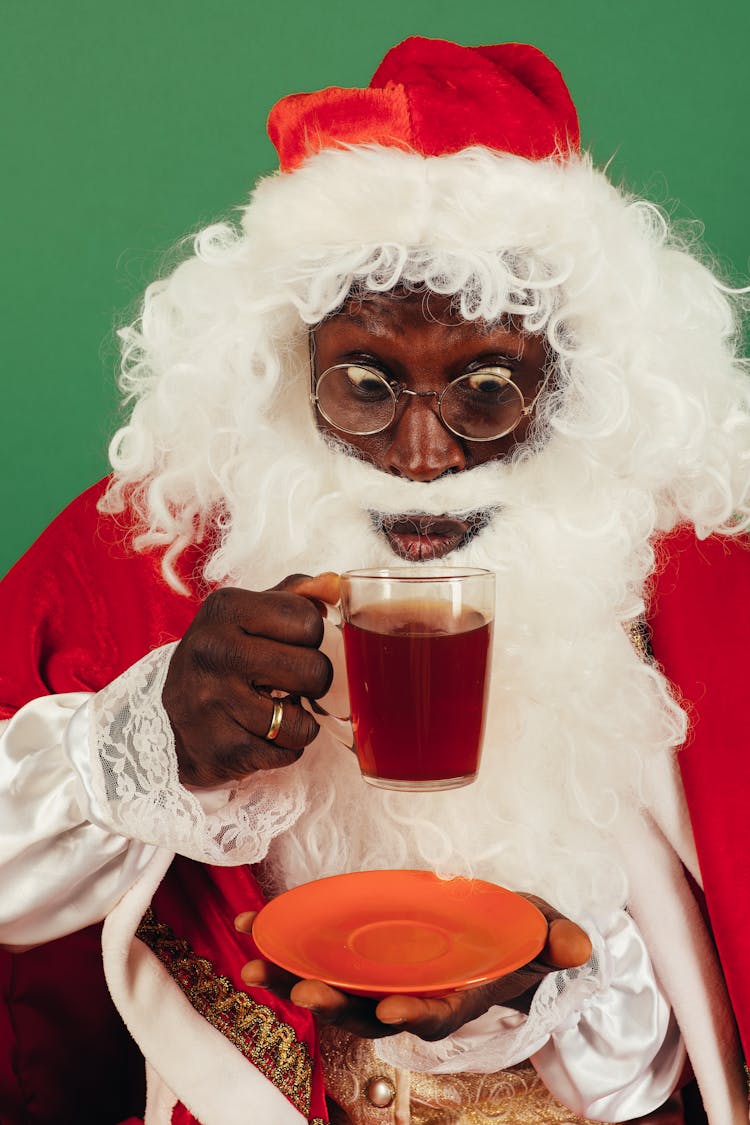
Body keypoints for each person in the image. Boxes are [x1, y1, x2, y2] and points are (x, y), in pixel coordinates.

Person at [0, 34, 748, 1125]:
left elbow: (669, 1062)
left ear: (574, 383)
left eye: (488, 389)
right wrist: (144, 739)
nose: (423, 458)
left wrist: (550, 987)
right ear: (285, 364)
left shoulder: (687, 576)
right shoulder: (157, 544)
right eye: (366, 383)